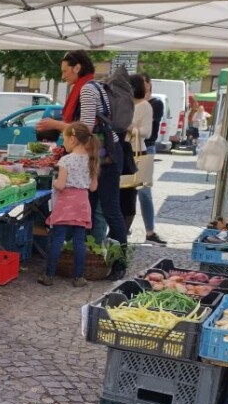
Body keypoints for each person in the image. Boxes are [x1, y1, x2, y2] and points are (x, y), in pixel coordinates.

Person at [36, 50, 127, 280]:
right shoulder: (93, 87)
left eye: (65, 70)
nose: (63, 75)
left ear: (77, 67)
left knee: (110, 210)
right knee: (94, 210)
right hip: (101, 154)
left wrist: (56, 124)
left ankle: (120, 263)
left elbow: (84, 128)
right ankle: (87, 262)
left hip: (103, 156)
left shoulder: (87, 89)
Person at [39, 122, 99, 288]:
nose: (63, 142)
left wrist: (54, 181)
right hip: (82, 204)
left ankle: (49, 275)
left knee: (58, 239)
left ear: (72, 139)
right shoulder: (92, 160)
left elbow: (61, 185)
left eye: (63, 138)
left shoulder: (66, 160)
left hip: (66, 204)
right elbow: (93, 187)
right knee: (80, 242)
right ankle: (79, 277)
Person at [129, 75, 166, 245]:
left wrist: (130, 128)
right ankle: (124, 227)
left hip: (144, 149)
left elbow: (148, 131)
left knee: (144, 192)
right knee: (126, 191)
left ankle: (150, 231)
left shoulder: (154, 103)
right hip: (127, 150)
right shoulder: (128, 103)